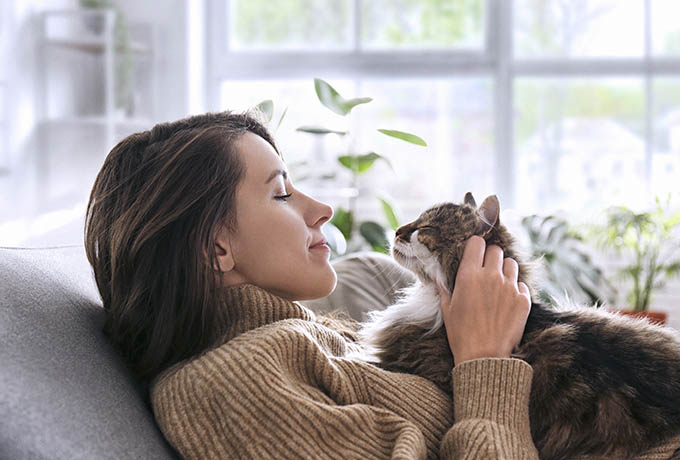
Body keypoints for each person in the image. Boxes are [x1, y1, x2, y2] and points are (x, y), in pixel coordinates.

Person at [83, 111, 536, 459]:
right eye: (281, 193)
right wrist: (487, 363)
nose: (323, 208)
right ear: (215, 249)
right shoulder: (233, 385)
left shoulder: (311, 339)